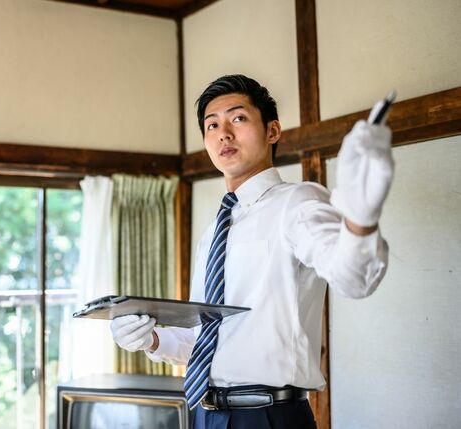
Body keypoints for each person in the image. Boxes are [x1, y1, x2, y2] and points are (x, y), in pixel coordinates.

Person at [109, 74, 393, 429]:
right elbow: (205, 339)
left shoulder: (298, 202)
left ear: (273, 131)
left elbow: (354, 280)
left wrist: (361, 219)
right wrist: (150, 338)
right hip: (204, 414)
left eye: (238, 118)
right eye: (212, 125)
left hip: (267, 416)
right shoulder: (214, 231)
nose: (223, 134)